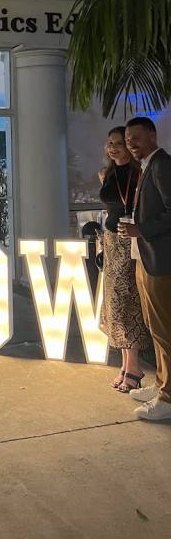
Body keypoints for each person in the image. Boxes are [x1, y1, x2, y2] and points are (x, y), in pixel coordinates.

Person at [119, 117, 171, 421]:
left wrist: (142, 229)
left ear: (152, 135)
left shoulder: (162, 165)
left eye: (136, 138)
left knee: (164, 331)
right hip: (146, 259)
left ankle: (168, 397)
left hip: (160, 261)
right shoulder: (148, 167)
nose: (131, 144)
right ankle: (162, 384)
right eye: (128, 140)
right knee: (156, 329)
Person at [97, 126, 149, 393]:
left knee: (129, 300)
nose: (113, 147)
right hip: (110, 241)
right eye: (110, 143)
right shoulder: (105, 174)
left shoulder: (140, 174)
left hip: (131, 241)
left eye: (119, 143)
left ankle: (134, 366)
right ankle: (126, 363)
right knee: (114, 303)